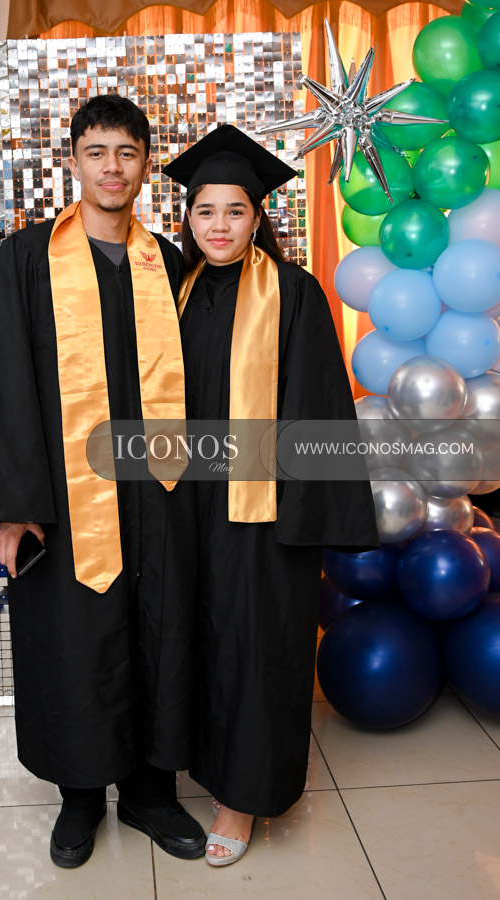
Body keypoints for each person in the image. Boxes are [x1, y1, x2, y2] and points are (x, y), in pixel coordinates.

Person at [0, 93, 205, 868]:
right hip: (66, 498)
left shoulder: (168, 262)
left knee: (158, 632)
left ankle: (149, 793)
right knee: (76, 640)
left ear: (145, 164)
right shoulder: (27, 258)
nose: (112, 168)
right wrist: (14, 508)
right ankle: (79, 796)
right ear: (73, 161)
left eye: (127, 153)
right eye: (97, 152)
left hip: (161, 495)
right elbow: (4, 382)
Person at [163, 125, 379, 866]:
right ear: (187, 218)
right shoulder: (174, 294)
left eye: (235, 211)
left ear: (258, 217)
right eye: (205, 211)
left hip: (262, 511)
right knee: (194, 638)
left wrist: (302, 516)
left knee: (254, 648)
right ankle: (201, 766)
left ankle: (241, 797)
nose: (219, 225)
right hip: (184, 508)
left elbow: (318, 406)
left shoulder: (292, 292)